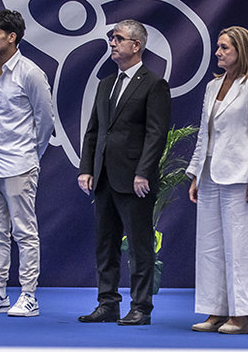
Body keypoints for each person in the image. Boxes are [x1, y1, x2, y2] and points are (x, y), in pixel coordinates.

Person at [77, 19, 171, 326]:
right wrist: (87, 168)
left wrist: (144, 172)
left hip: (135, 181)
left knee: (139, 245)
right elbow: (93, 131)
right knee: (105, 243)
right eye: (111, 38)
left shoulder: (154, 84)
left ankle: (141, 307)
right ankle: (107, 303)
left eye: (118, 38)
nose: (112, 43)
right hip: (104, 177)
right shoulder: (105, 84)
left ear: (136, 45)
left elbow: (157, 134)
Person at [0, 10, 54, 317]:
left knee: (24, 232)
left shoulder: (30, 73)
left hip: (20, 163)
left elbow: (45, 121)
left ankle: (28, 295)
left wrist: (31, 156)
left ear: (12, 37)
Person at [185, 26, 248, 334]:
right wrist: (195, 173)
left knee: (241, 248)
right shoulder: (213, 86)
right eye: (218, 48)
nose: (219, 52)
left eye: (225, 48)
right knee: (210, 247)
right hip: (210, 174)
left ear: (241, 51)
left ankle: (242, 314)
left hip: (241, 177)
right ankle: (216, 311)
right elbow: (203, 134)